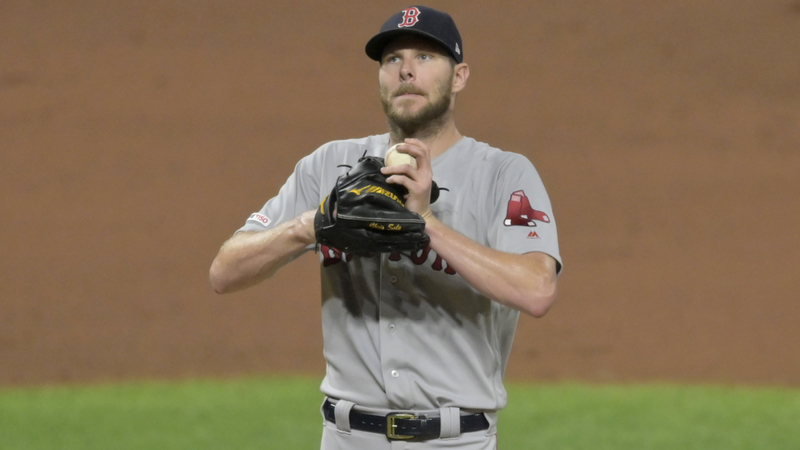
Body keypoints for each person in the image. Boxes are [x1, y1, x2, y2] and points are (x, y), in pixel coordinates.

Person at [209, 5, 562, 449]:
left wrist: (426, 224)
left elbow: (536, 290)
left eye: (426, 58)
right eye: (393, 59)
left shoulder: (504, 174)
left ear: (460, 77)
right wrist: (310, 225)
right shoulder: (329, 166)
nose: (407, 71)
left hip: (454, 441)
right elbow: (224, 273)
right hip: (345, 438)